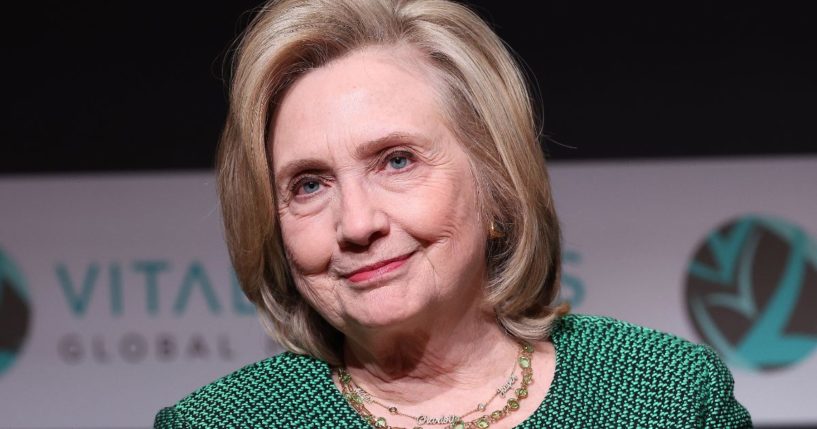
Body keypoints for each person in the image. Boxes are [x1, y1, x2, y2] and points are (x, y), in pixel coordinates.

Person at [155, 0, 752, 427]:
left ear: (495, 178)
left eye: (396, 161)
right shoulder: (220, 422)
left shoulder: (664, 394)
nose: (357, 223)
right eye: (309, 185)